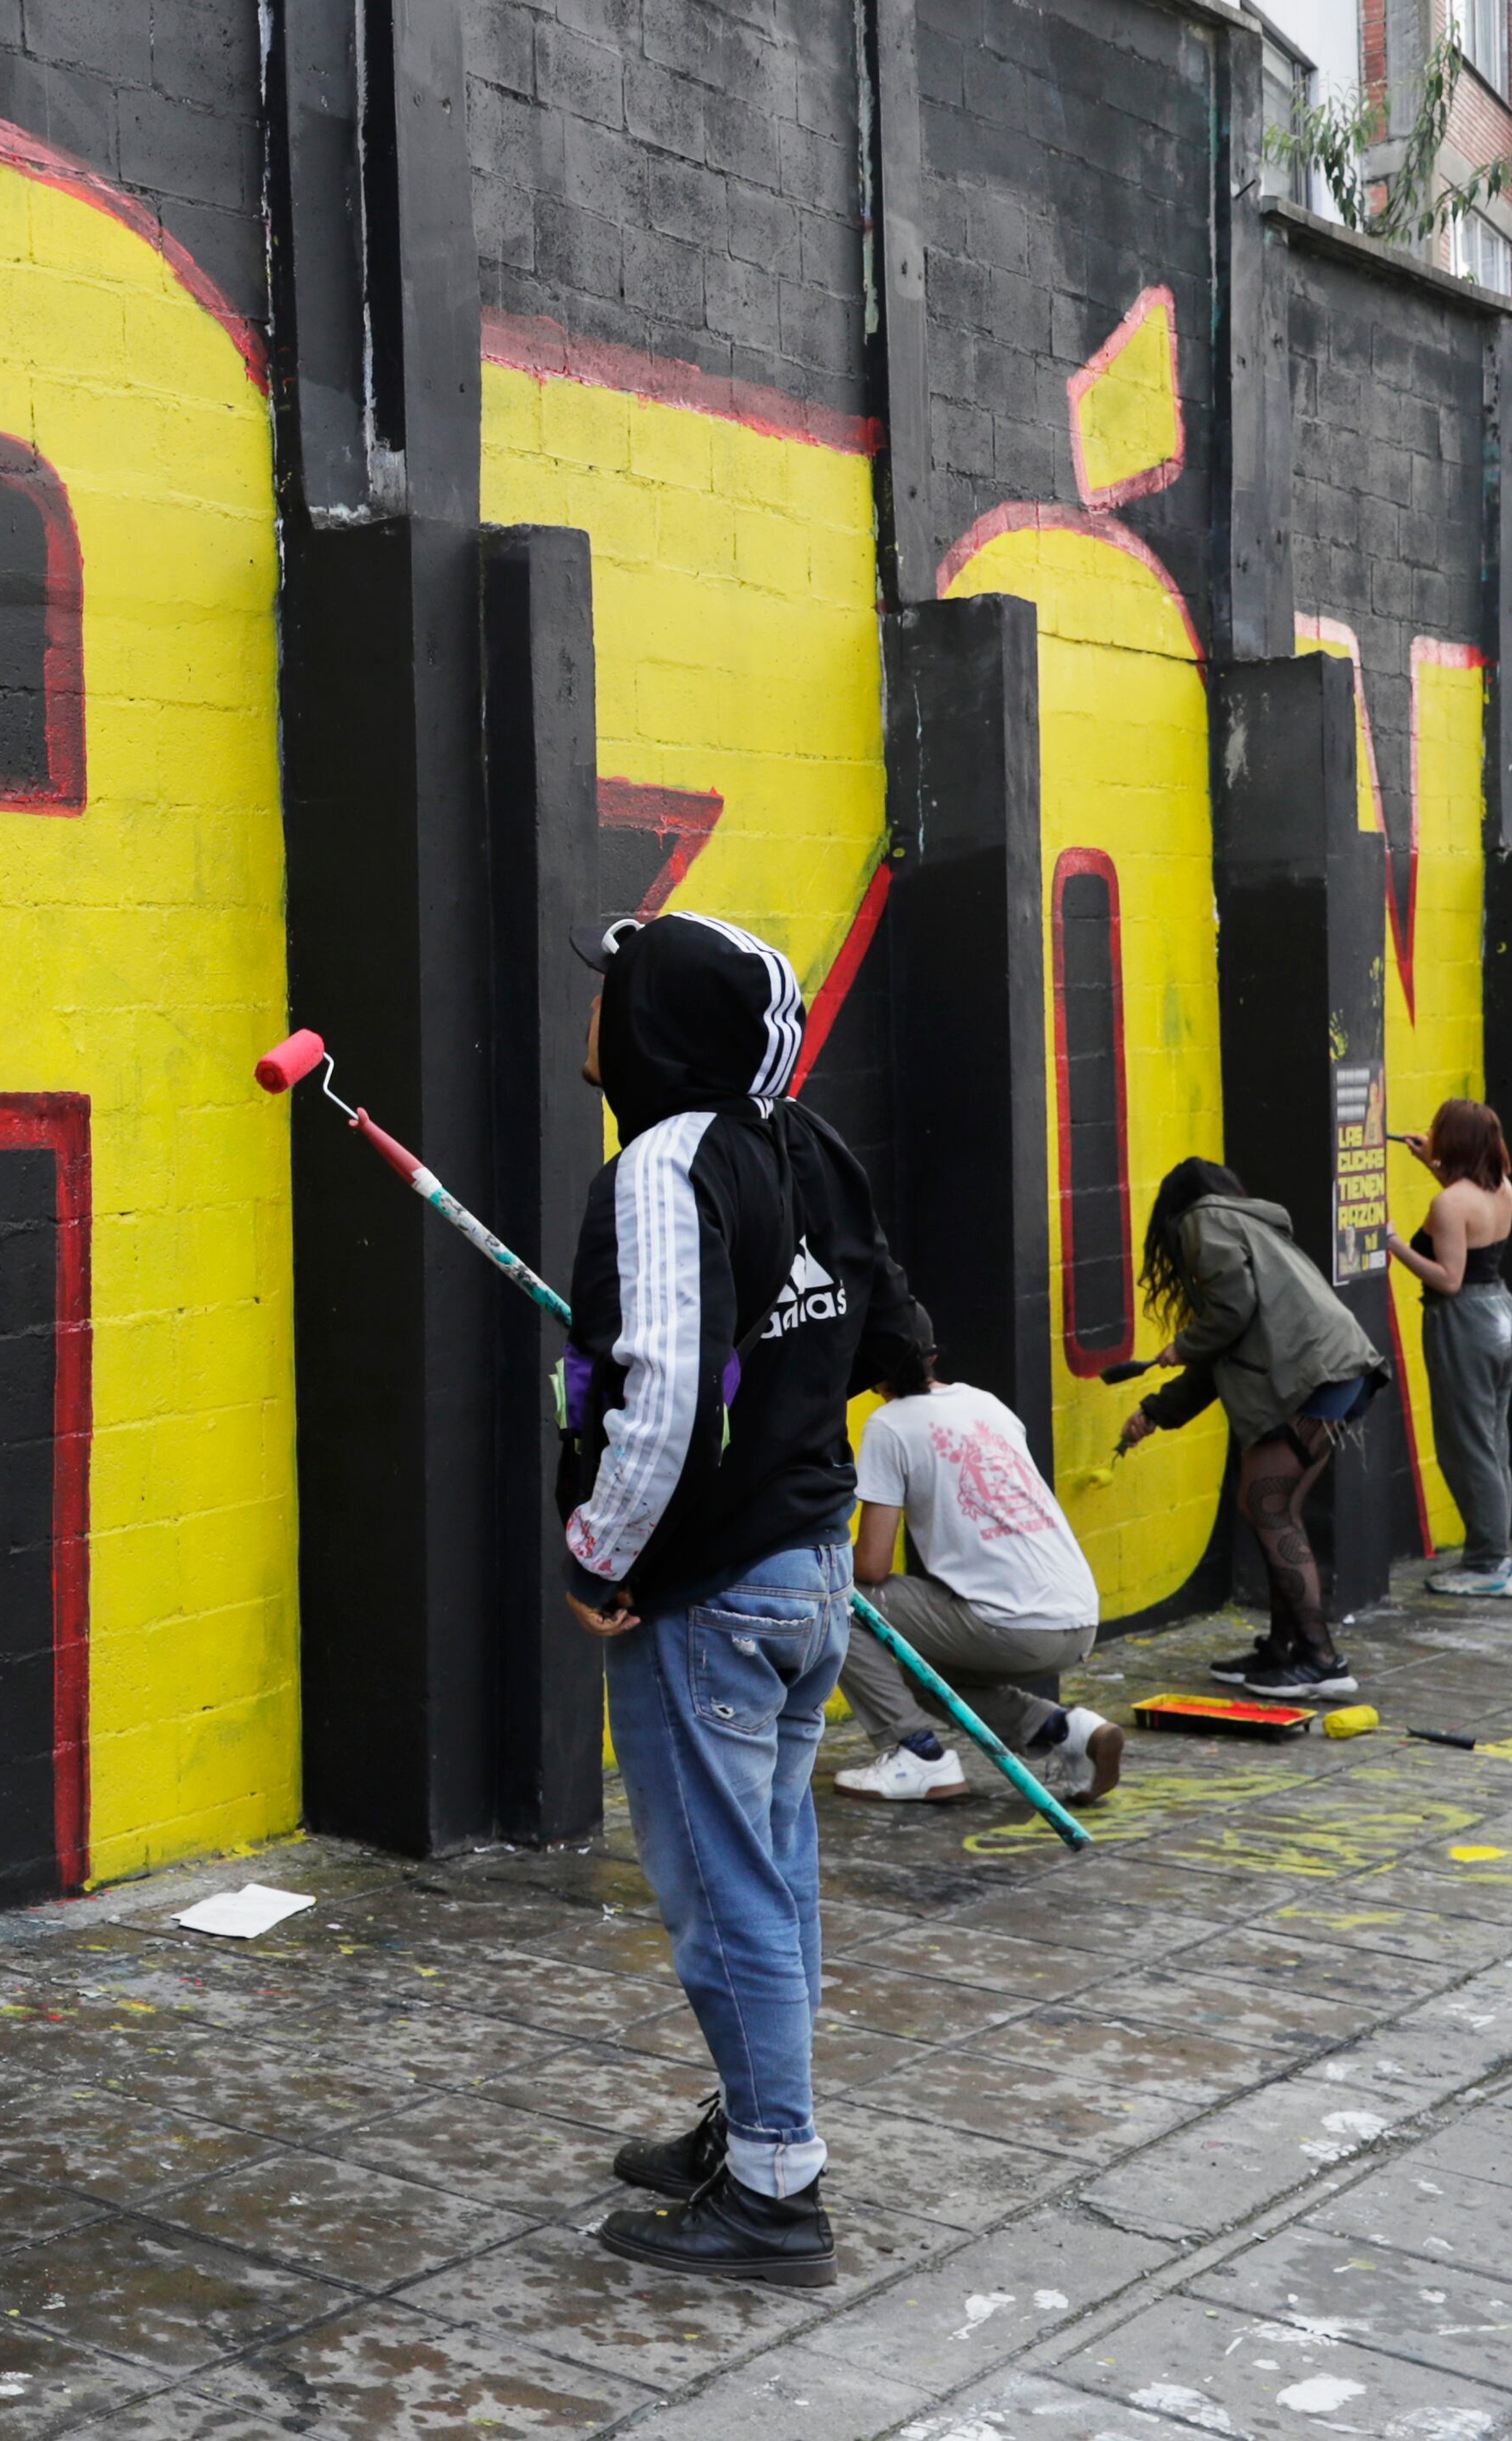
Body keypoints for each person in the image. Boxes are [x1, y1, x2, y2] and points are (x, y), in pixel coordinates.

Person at [559, 912, 925, 2290]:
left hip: (710, 1591)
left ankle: (777, 2183)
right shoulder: (797, 1138)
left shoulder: (664, 1165)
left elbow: (659, 1394)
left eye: (616, 992)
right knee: (771, 1872)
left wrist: (603, 1554)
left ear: (656, 1028)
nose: (592, 1013)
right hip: (807, 1570)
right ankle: (754, 2122)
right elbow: (885, 1305)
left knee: (725, 1899)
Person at [1116, 1159, 1385, 1699]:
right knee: (1272, 1509)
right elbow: (1223, 1353)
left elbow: (1229, 1315)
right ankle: (1285, 1648)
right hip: (1337, 1374)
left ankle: (1320, 1658)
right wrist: (1155, 1412)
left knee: (1265, 1504)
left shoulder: (1201, 1219)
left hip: (1318, 1377)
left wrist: (1184, 1343)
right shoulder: (1250, 1228)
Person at [828, 1334, 1119, 1806]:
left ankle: (914, 1753)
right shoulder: (987, 1404)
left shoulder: (888, 1425)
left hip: (1014, 1627)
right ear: (934, 1355)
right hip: (1078, 1617)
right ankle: (1065, 1731)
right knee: (921, 1674)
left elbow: (872, 1567)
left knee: (834, 1596)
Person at [1388, 1098, 1512, 1599]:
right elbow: (1466, 1210)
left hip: (1465, 1321)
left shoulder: (1449, 1204)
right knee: (1492, 1443)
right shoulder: (1501, 1188)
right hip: (1504, 1315)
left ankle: (1490, 1564)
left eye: (1438, 1130)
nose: (1430, 1133)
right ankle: (1493, 1557)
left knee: (1467, 1449)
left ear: (1456, 1141)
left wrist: (1393, 1244)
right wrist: (1431, 1165)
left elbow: (1448, 1279)